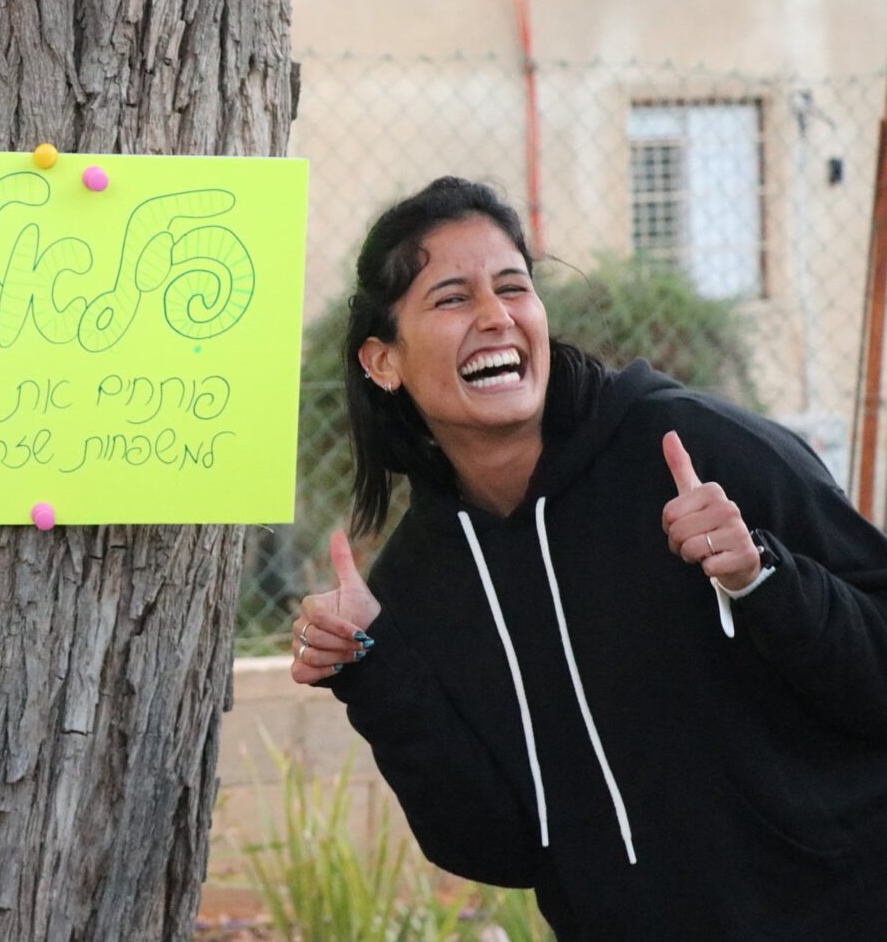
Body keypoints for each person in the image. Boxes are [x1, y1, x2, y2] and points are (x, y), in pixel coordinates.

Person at [290, 176, 887, 940]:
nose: (496, 316)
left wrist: (761, 578)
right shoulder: (418, 584)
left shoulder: (693, 451)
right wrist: (374, 674)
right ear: (383, 361)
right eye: (452, 298)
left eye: (514, 287)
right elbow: (495, 845)